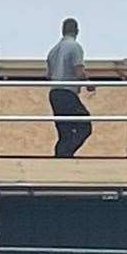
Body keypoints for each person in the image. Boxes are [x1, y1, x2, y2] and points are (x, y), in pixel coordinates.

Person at [46, 17, 95, 157]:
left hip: (54, 93)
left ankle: (61, 157)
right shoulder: (75, 47)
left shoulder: (53, 51)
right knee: (85, 126)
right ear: (77, 31)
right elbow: (79, 71)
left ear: (62, 31)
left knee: (65, 131)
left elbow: (48, 75)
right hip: (67, 92)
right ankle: (64, 154)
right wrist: (89, 84)